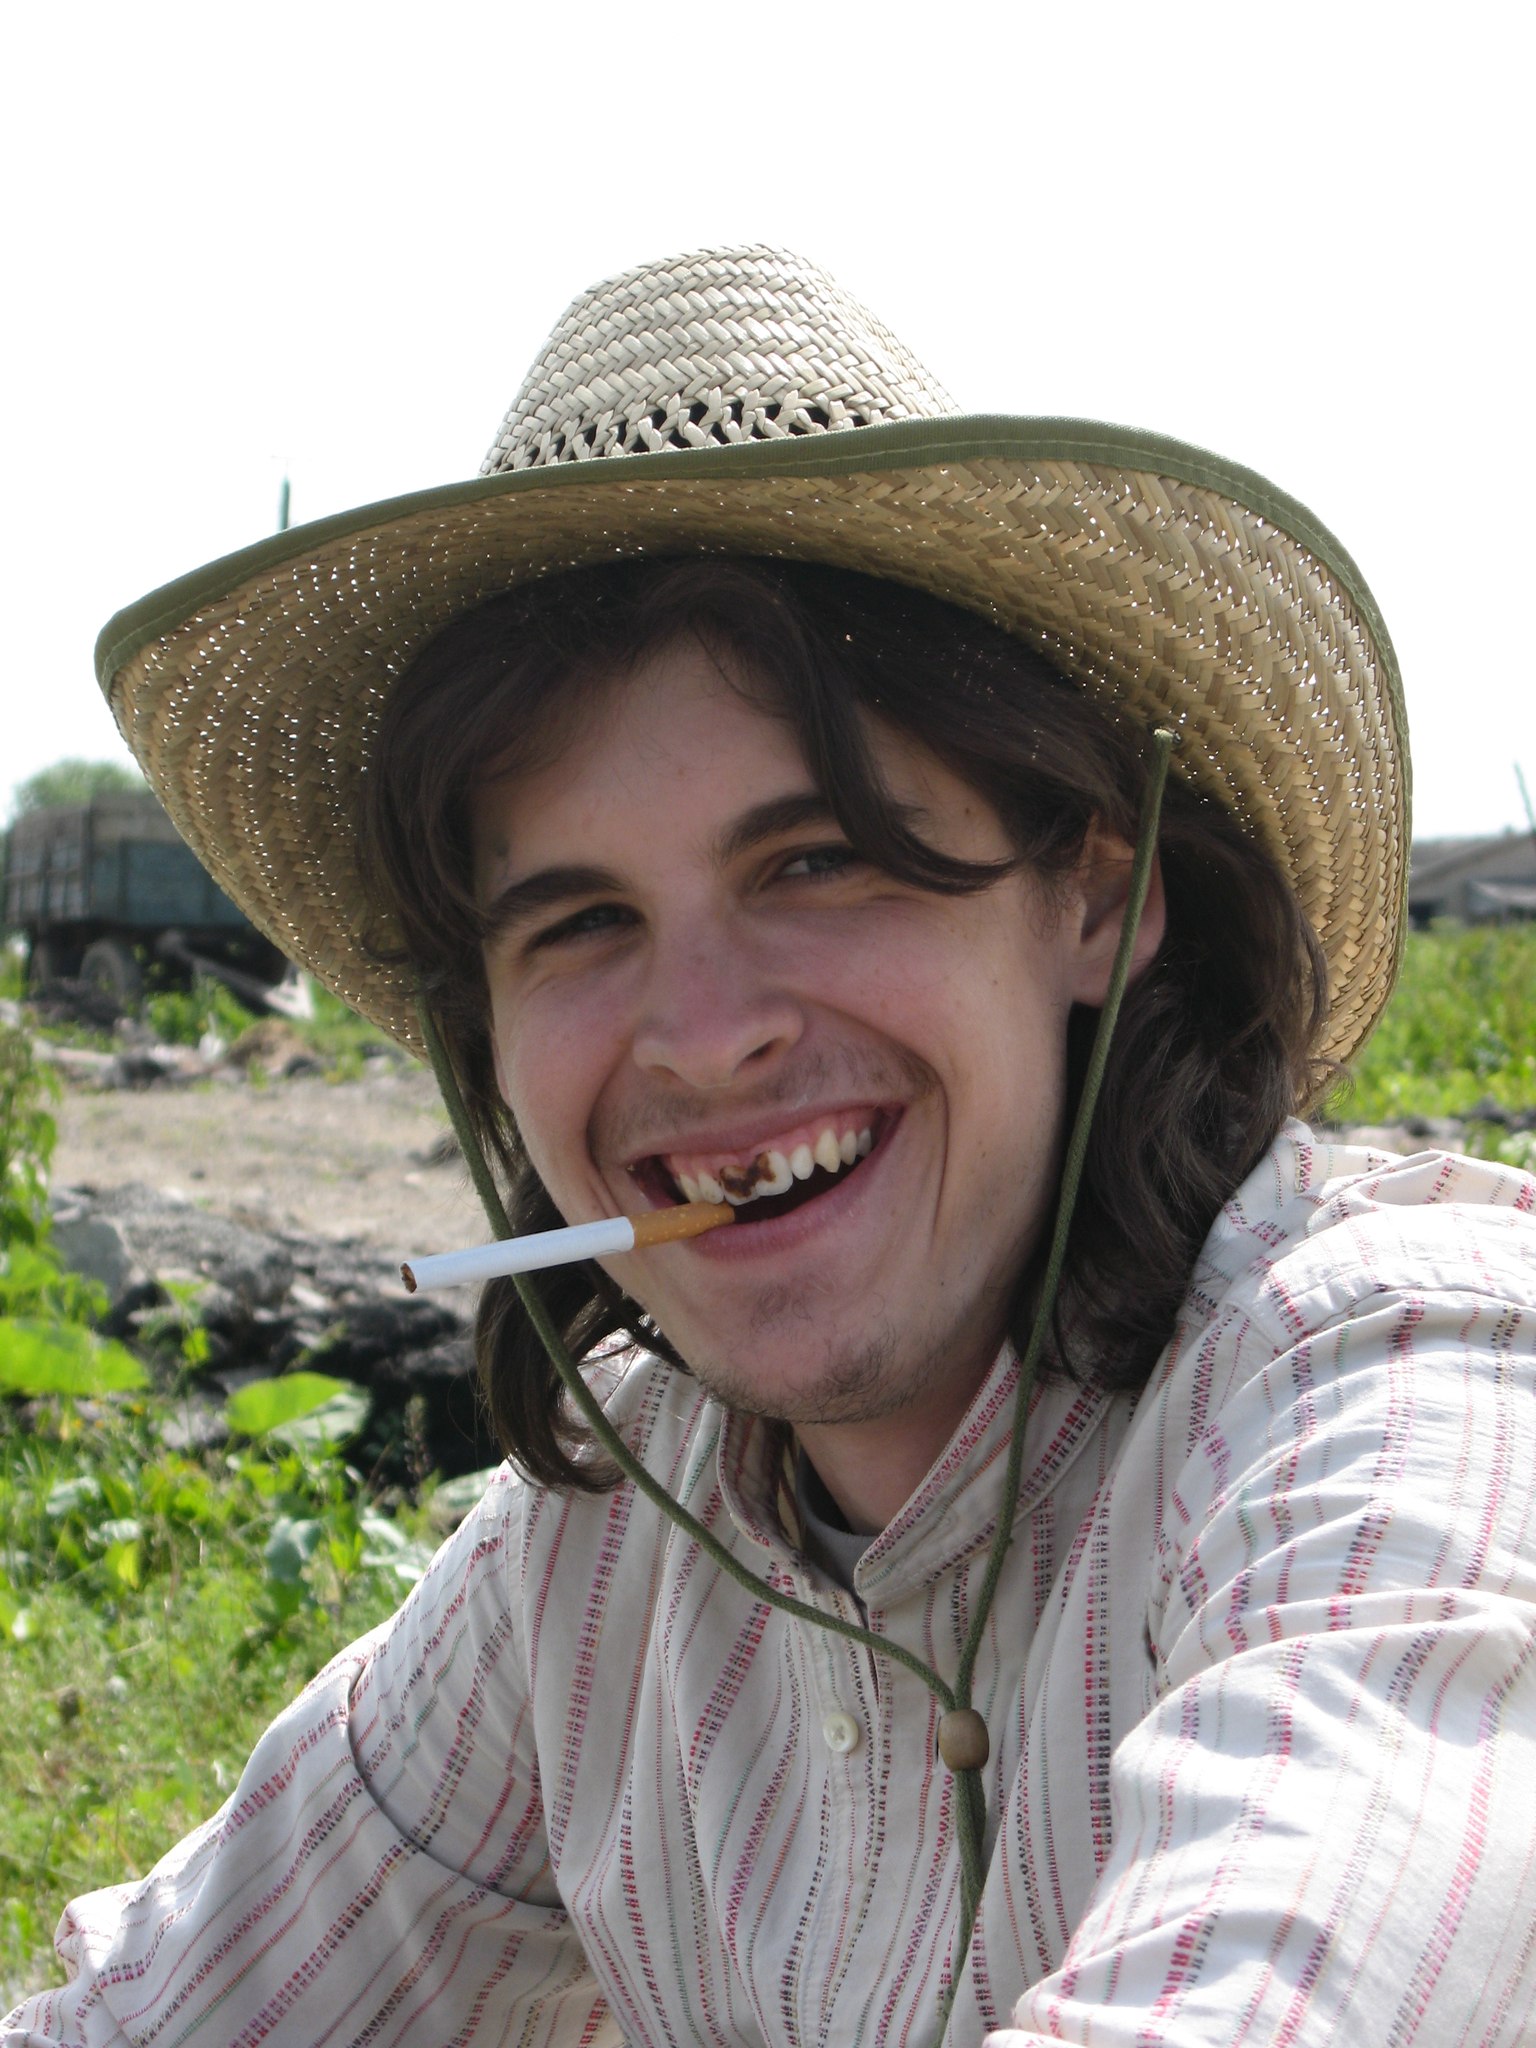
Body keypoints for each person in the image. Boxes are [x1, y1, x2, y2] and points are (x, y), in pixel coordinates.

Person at [7, 246, 1535, 2047]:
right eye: (580, 922)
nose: (702, 1030)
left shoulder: (1396, 1389)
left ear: (1097, 899)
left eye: (817, 860)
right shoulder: (603, 1543)